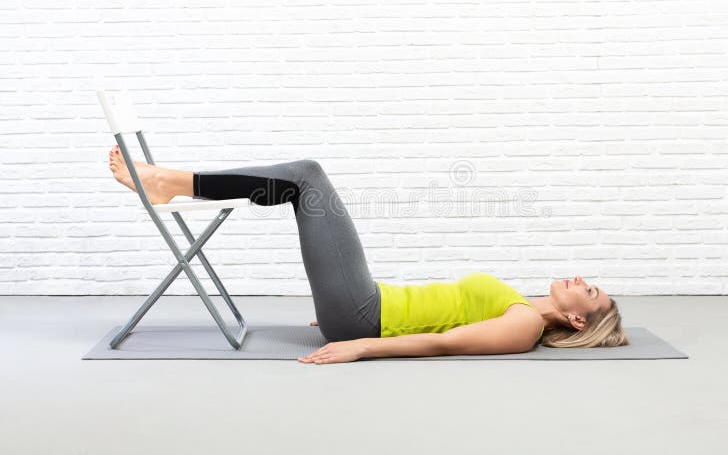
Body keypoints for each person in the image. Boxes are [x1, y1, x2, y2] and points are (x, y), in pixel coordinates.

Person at [107, 146, 628, 365]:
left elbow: (443, 344)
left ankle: (171, 182)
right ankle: (171, 183)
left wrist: (359, 345)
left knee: (306, 176)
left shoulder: (524, 327)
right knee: (305, 180)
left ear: (578, 317)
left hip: (365, 315)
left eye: (589, 288)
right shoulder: (517, 302)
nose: (581, 278)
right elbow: (441, 310)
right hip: (365, 303)